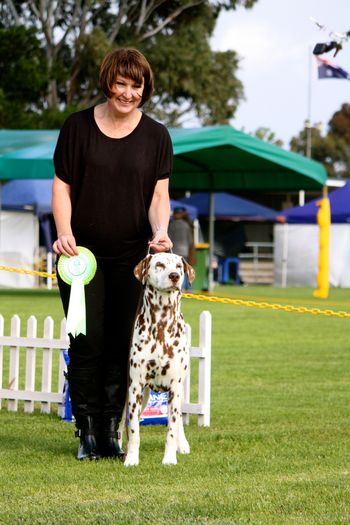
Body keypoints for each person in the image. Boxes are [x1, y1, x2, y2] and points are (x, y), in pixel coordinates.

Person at [52, 47, 173, 460]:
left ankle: (110, 430)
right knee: (88, 342)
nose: (127, 93)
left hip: (132, 261)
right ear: (108, 82)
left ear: (144, 88)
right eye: (120, 83)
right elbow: (62, 188)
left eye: (135, 86)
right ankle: (86, 430)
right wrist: (64, 234)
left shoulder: (157, 136)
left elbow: (160, 195)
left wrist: (160, 231)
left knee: (124, 343)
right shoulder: (76, 127)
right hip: (81, 258)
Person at [168, 207, 196, 289]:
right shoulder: (187, 225)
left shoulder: (171, 225)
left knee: (175, 270)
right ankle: (189, 289)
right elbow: (191, 241)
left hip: (173, 251)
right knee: (184, 270)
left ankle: (180, 288)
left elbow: (168, 238)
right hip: (185, 251)